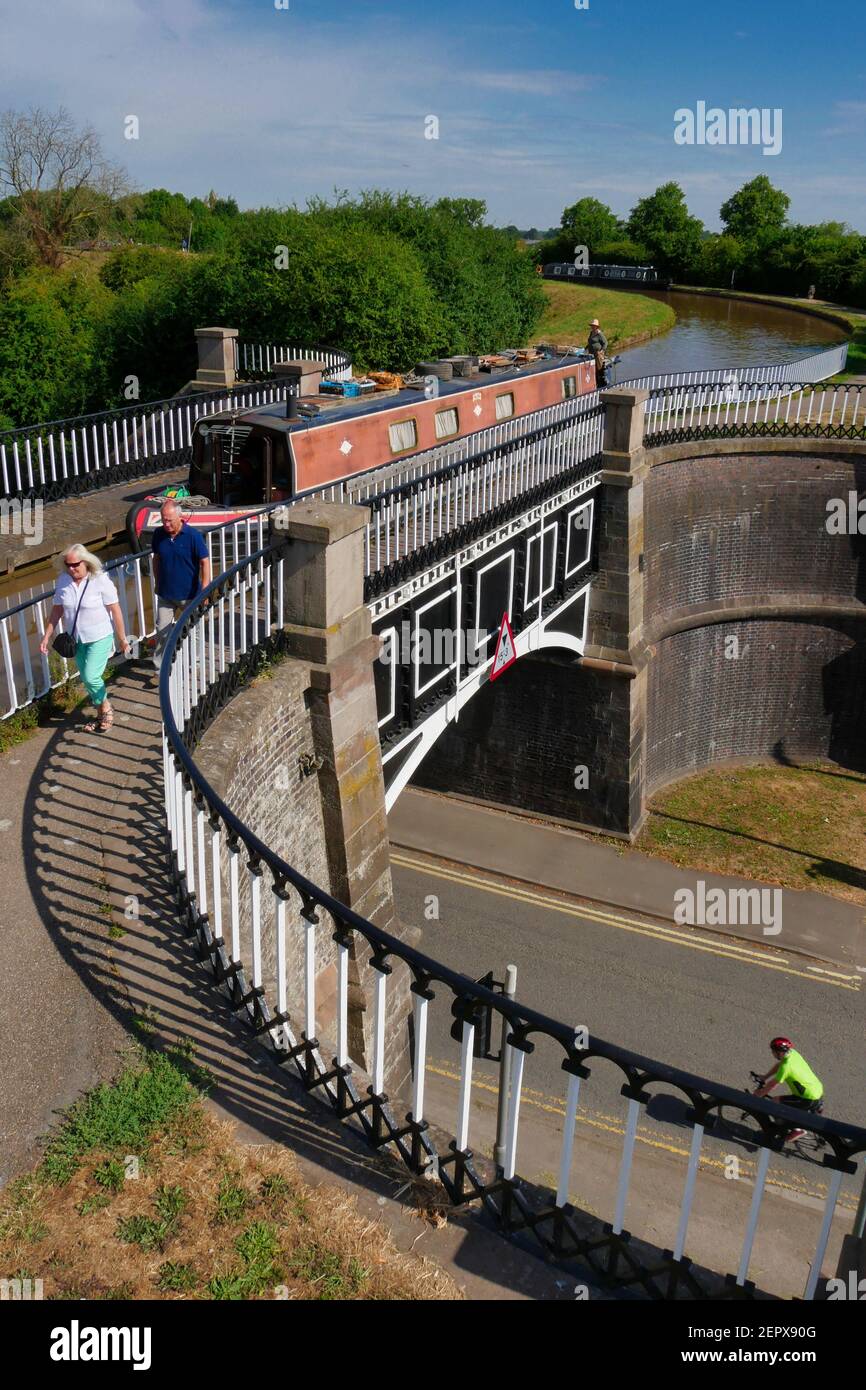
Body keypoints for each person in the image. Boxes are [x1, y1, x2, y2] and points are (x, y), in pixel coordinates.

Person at [40, 544, 132, 732]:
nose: (72, 569)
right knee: (86, 678)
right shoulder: (63, 580)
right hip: (76, 639)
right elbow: (57, 609)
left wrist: (122, 639)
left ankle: (106, 708)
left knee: (91, 676)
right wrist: (46, 636)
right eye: (68, 565)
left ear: (86, 562)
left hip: (99, 636)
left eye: (75, 564)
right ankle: (100, 715)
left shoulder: (100, 580)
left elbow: (116, 610)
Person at [151, 500, 211, 671]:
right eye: (163, 520)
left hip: (190, 595)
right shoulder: (158, 534)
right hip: (166, 594)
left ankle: (195, 662)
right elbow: (157, 558)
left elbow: (204, 561)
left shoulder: (193, 536)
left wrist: (205, 590)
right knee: (162, 631)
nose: (166, 524)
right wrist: (157, 581)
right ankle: (159, 668)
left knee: (194, 631)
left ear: (180, 517)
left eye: (169, 520)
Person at [752, 1036, 824, 1143]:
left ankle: (798, 1130)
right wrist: (765, 1077)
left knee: (775, 1102)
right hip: (816, 1089)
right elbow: (778, 1066)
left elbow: (773, 1084)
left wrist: (760, 1094)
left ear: (780, 1052)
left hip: (808, 1098)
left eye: (773, 1051)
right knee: (784, 1105)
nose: (772, 1053)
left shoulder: (787, 1066)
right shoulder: (792, 1053)